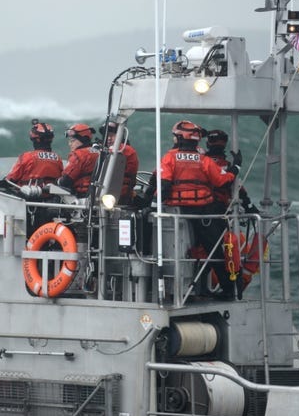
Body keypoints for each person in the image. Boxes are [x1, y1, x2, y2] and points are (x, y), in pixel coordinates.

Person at [144, 120, 242, 299]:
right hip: (203, 212)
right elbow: (223, 180)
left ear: (179, 138)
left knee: (169, 248)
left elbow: (163, 185)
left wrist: (150, 206)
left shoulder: (169, 158)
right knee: (213, 251)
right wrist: (236, 167)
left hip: (177, 212)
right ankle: (228, 289)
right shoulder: (203, 160)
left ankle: (179, 288)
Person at [205, 129, 259, 215]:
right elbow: (237, 188)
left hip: (200, 206)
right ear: (224, 144)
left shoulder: (201, 161)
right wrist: (236, 165)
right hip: (219, 208)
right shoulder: (227, 166)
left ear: (208, 143)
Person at [6, 119, 63, 188]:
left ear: (34, 139)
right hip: (50, 196)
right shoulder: (58, 159)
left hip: (26, 196)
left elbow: (11, 179)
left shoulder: (27, 157)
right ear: (51, 139)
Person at [100, 121, 139, 204]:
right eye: (107, 135)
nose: (109, 138)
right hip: (102, 191)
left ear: (119, 136)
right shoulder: (101, 149)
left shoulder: (127, 150)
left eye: (112, 135)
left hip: (119, 194)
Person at [57, 123, 99, 198]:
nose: (70, 144)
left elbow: (66, 180)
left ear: (83, 139)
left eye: (72, 141)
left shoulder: (79, 155)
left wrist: (57, 182)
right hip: (96, 194)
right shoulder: (98, 152)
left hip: (81, 196)